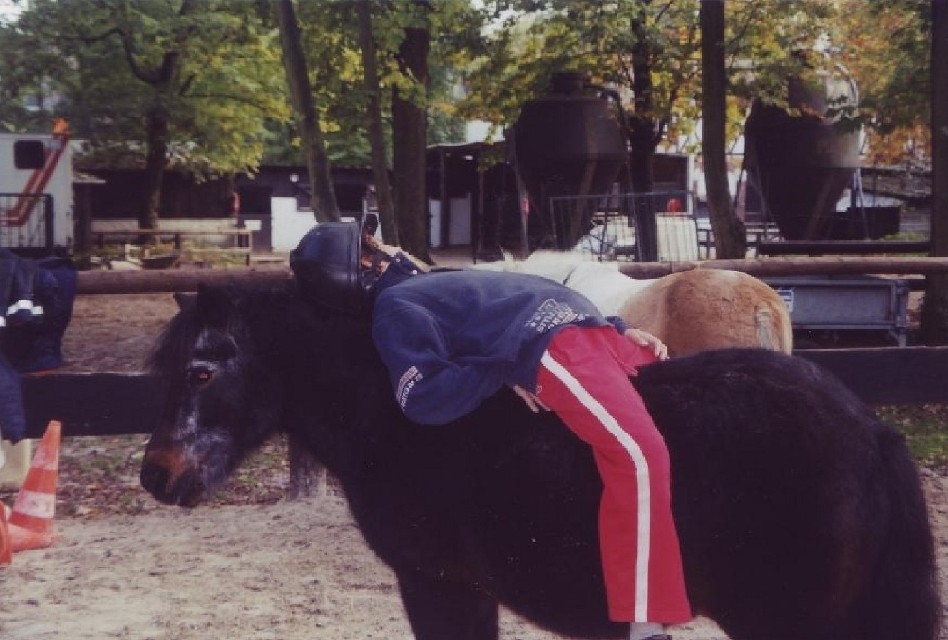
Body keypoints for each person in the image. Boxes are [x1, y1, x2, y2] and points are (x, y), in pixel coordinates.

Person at [291, 222, 692, 640]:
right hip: (559, 343)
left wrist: (615, 327)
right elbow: (423, 396)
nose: (393, 245)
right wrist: (502, 368)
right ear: (365, 265)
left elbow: (517, 297)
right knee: (640, 455)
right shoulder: (396, 306)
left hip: (589, 330)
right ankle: (645, 625)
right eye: (375, 245)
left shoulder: (433, 283)